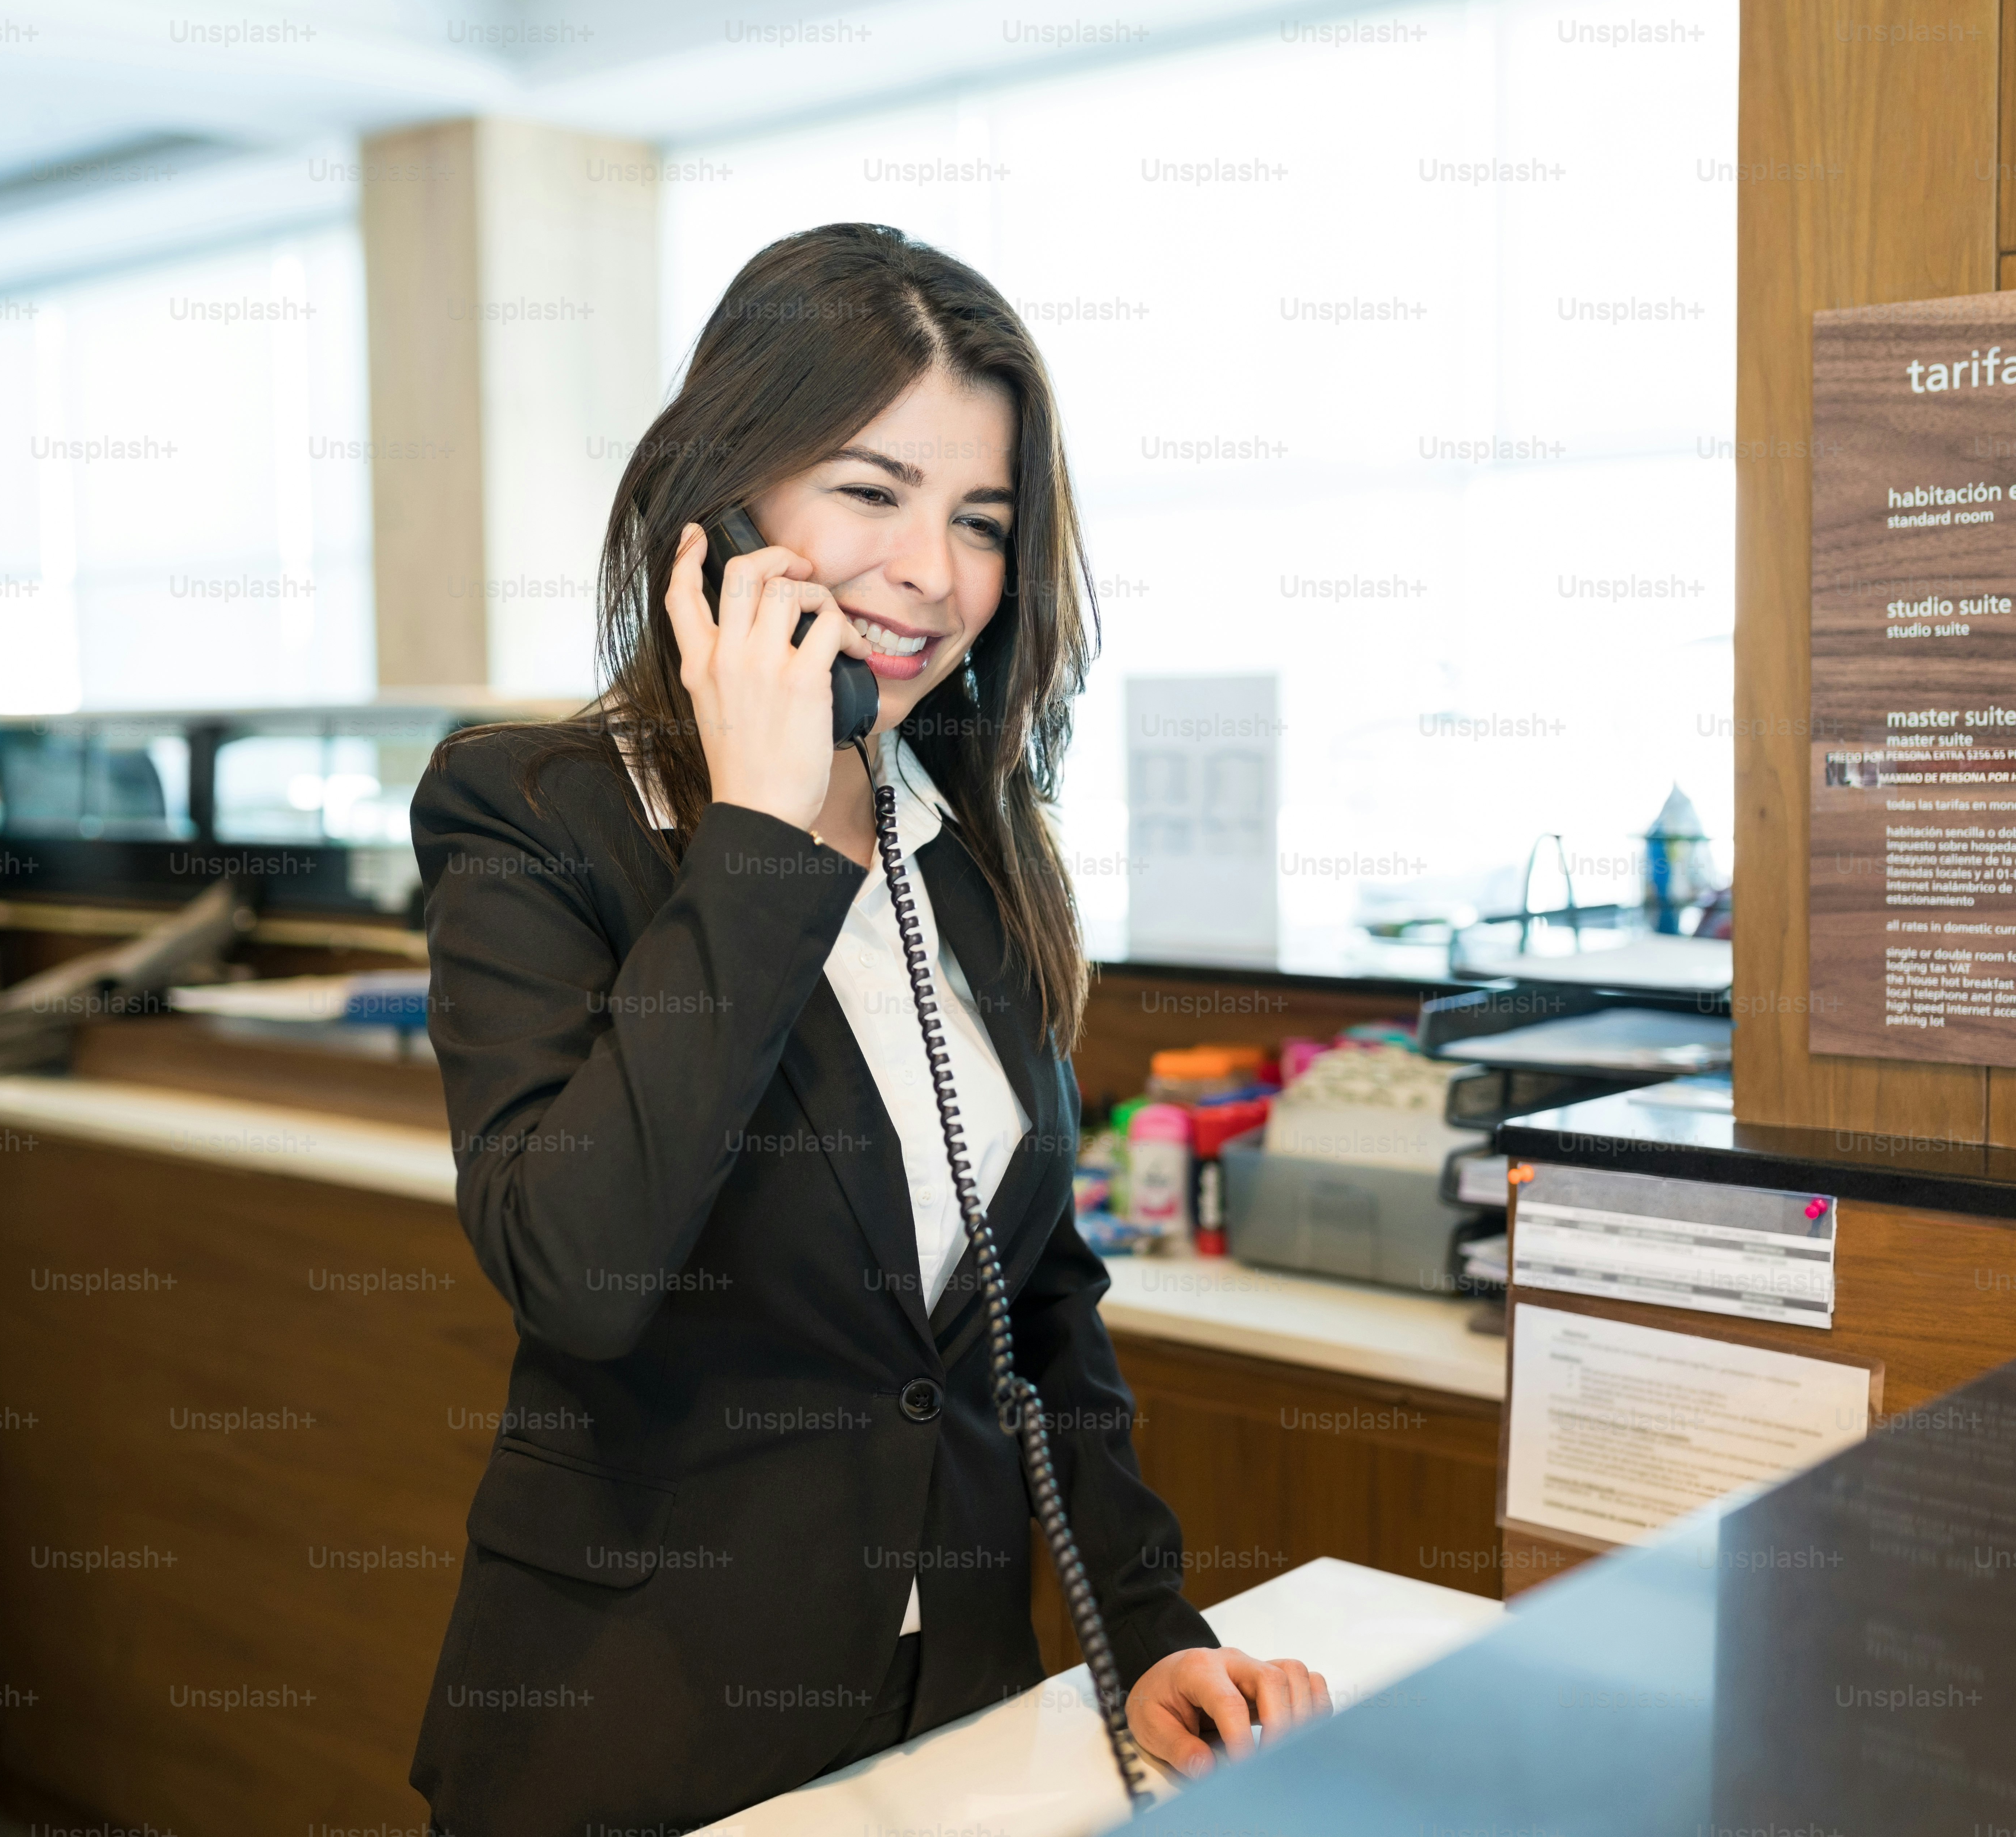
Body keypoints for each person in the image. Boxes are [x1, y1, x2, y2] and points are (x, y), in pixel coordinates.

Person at [408, 222, 1327, 1836]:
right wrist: (763, 834)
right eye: (870, 491)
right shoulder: (535, 811)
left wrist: (1144, 1627)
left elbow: (1037, 1298)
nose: (932, 573)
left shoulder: (967, 841)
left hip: (948, 1722)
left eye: (980, 520)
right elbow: (581, 1270)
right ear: (723, 502)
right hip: (635, 1735)